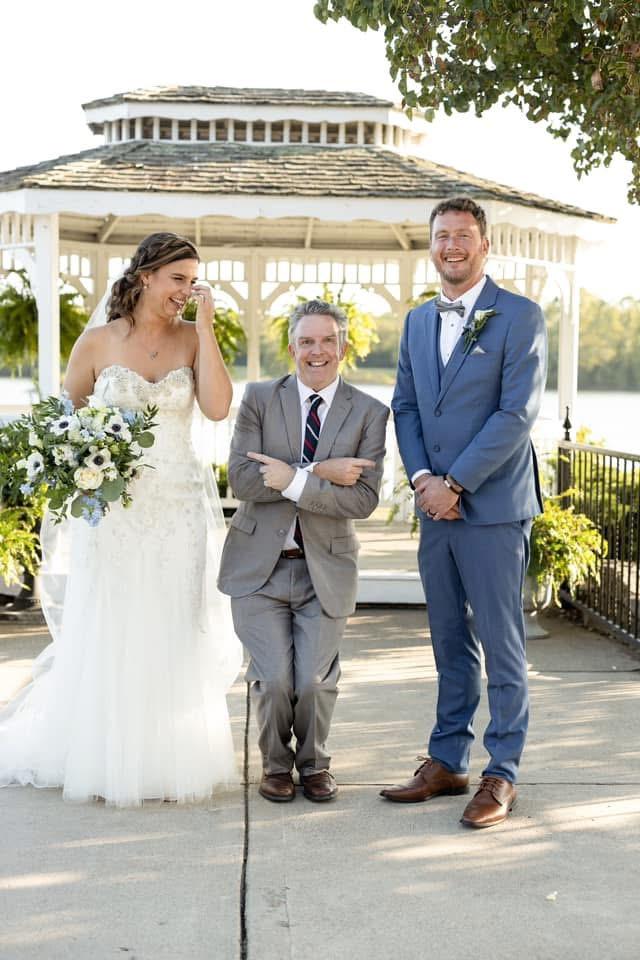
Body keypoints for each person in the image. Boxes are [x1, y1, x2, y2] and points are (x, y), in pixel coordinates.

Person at [0, 232, 242, 806]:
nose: (187, 291)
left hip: (178, 509)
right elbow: (65, 424)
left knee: (173, 624)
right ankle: (105, 755)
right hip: (113, 515)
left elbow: (216, 408)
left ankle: (166, 756)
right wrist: (84, 463)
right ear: (145, 277)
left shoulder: (193, 338)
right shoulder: (96, 342)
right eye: (178, 279)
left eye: (193, 281)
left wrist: (206, 329)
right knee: (114, 623)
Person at [382, 197, 546, 827]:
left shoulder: (520, 316)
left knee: (502, 645)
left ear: (484, 245)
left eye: (463, 235)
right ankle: (448, 761)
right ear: (432, 246)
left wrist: (456, 482)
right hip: (435, 509)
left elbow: (516, 414)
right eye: (441, 236)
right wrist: (424, 480)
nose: (451, 245)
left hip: (493, 508)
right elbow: (405, 407)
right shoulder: (417, 321)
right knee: (449, 640)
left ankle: (502, 772)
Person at [218, 299, 388, 803]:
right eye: (307, 341)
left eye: (328, 341)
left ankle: (314, 765)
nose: (318, 351)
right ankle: (275, 765)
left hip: (325, 570)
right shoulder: (258, 399)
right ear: (292, 349)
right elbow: (243, 479)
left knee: (312, 682)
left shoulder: (370, 413)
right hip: (259, 569)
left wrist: (289, 476)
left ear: (343, 347)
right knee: (274, 680)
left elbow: (362, 500)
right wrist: (319, 472)